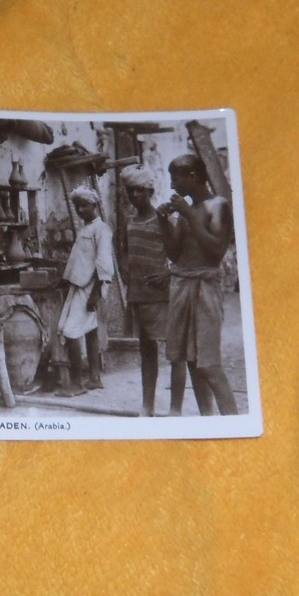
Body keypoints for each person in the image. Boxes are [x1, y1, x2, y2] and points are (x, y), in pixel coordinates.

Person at [160, 155, 239, 416]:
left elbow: (215, 250)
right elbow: (175, 254)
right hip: (183, 286)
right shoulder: (189, 210)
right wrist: (163, 222)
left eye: (176, 179)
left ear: (192, 176)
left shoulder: (219, 205)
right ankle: (208, 418)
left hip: (205, 289)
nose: (173, 185)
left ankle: (233, 421)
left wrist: (188, 213)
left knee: (209, 364)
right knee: (191, 361)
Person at [121, 164, 185, 417]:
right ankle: (147, 405)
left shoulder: (163, 218)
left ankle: (175, 409)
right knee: (147, 351)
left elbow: (179, 254)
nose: (134, 196)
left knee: (175, 351)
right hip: (139, 295)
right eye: (130, 192)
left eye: (138, 191)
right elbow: (125, 250)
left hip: (163, 295)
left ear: (150, 191)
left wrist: (168, 273)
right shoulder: (129, 222)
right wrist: (127, 270)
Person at [55, 185, 114, 397]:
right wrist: (64, 281)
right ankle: (95, 378)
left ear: (95, 205)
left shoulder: (101, 230)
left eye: (85, 206)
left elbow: (104, 263)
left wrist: (96, 293)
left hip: (90, 287)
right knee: (89, 330)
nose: (81, 210)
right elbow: (80, 261)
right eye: (77, 206)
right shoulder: (85, 229)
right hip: (77, 285)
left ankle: (77, 382)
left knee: (71, 331)